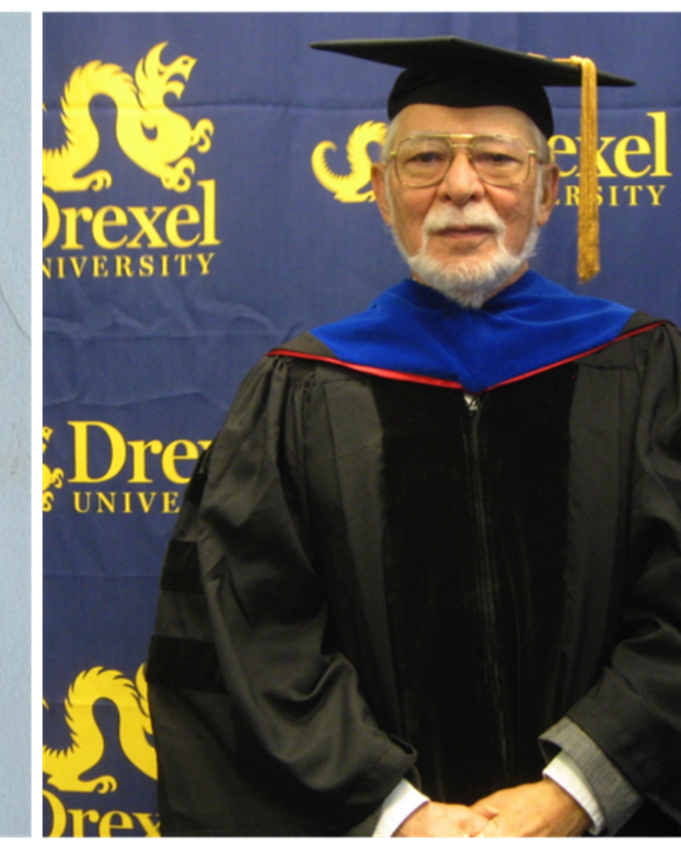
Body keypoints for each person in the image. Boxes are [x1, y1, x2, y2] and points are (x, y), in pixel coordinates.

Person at [145, 37, 681, 839]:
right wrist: (396, 813)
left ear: (547, 192)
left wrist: (578, 788)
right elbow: (251, 642)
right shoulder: (299, 389)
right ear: (381, 191)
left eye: (498, 159)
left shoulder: (643, 371)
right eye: (424, 158)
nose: (460, 187)